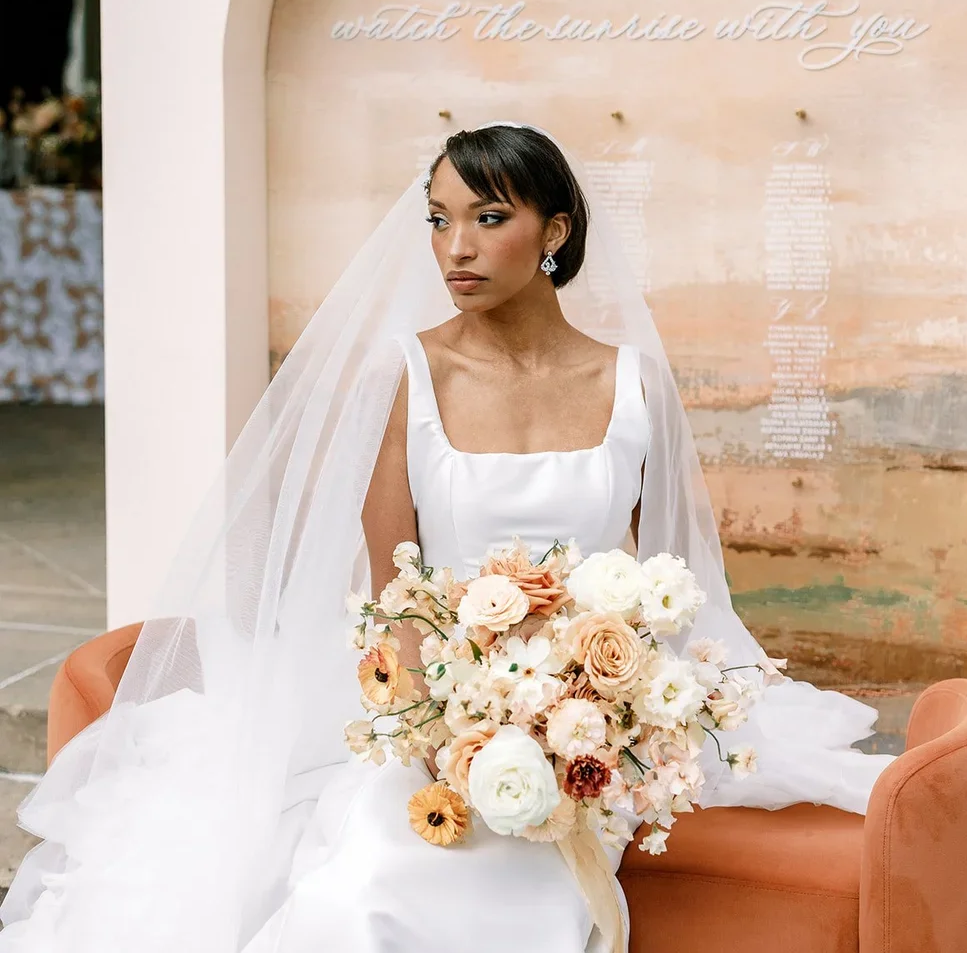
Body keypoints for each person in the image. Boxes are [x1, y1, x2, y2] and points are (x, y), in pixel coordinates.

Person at [0, 122, 892, 952]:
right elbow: (395, 592)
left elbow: (669, 582)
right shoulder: (404, 373)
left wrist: (611, 722)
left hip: (595, 720)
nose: (455, 246)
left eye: (488, 216)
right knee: (373, 886)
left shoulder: (635, 385)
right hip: (431, 705)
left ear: (555, 231)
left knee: (537, 863)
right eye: (439, 219)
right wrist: (446, 730)